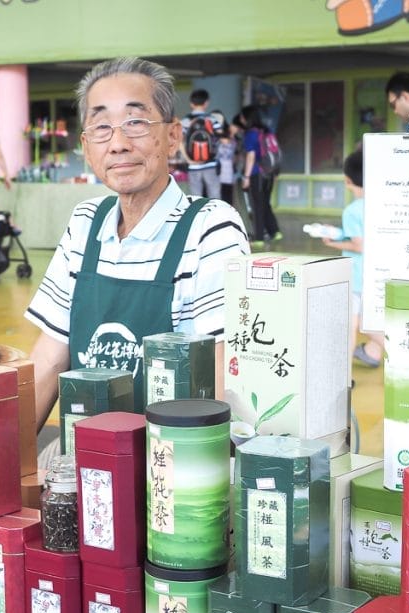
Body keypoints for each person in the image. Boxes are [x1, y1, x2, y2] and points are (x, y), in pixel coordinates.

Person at [25, 56, 250, 424]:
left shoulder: (210, 228)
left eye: (135, 122)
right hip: (87, 456)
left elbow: (224, 376)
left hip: (170, 462)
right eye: (101, 127)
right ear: (85, 144)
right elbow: (49, 360)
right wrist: (5, 464)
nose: (117, 144)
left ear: (173, 136)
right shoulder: (85, 222)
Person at [322, 148, 383, 369]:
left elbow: (359, 245)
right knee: (370, 322)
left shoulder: (352, 210)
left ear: (348, 181)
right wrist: (339, 233)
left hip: (356, 275)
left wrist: (334, 243)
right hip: (376, 273)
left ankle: (344, 374)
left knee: (350, 325)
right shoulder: (381, 204)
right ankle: (384, 353)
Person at [238, 106, 281, 247]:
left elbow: (251, 156)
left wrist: (246, 177)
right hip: (269, 172)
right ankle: (275, 231)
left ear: (246, 118)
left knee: (257, 205)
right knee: (265, 203)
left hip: (257, 173)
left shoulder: (250, 134)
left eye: (242, 117)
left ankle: (259, 238)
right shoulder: (266, 131)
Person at [180, 89, 225, 199]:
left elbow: (179, 141)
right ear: (206, 103)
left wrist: (188, 160)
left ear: (191, 104)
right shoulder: (211, 119)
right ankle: (216, 217)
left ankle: (199, 216)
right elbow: (221, 138)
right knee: (215, 198)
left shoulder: (185, 121)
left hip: (193, 164)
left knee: (196, 199)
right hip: (210, 163)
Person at [216, 123, 237, 206]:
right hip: (225, 176)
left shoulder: (222, 145)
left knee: (226, 196)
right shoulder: (231, 144)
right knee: (225, 197)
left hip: (225, 176)